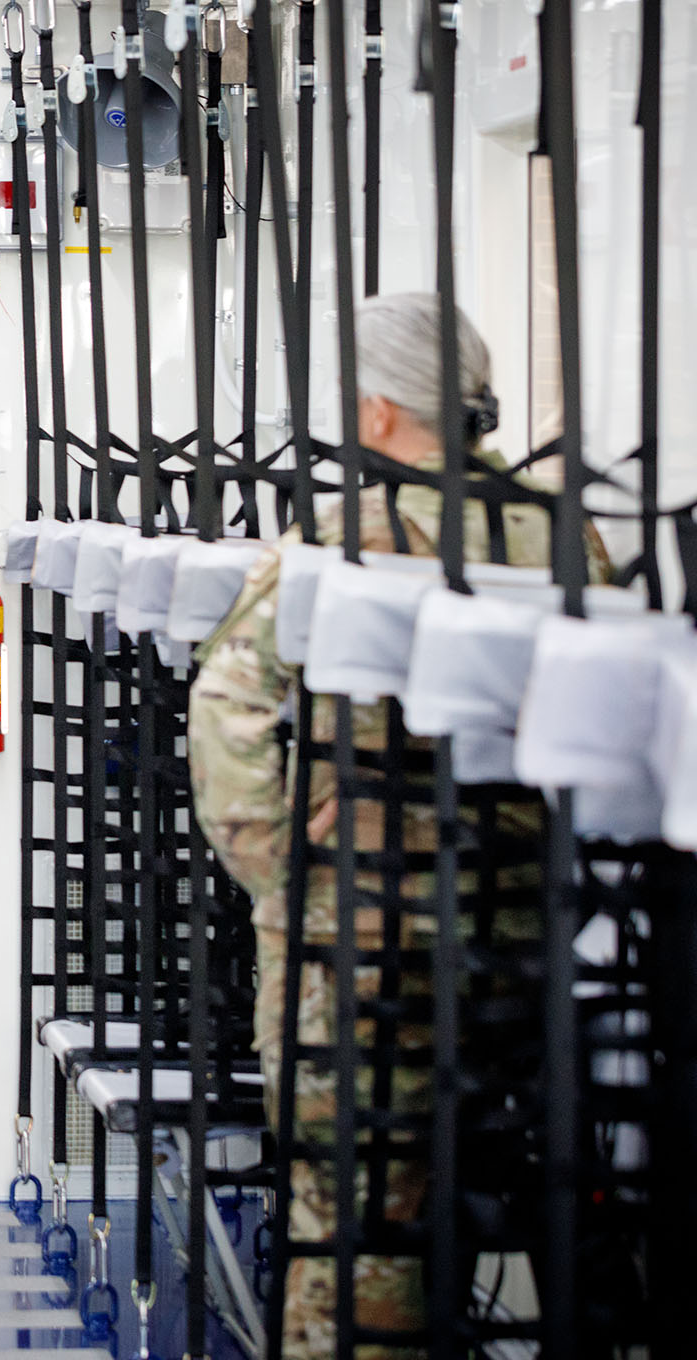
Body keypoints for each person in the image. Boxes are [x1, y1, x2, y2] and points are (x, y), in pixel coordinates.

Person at [187, 294, 609, 1358]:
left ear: (375, 412)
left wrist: (280, 874)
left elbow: (229, 707)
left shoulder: (343, 540)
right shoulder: (567, 532)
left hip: (360, 938)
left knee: (356, 1228)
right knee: (533, 1190)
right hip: (527, 928)